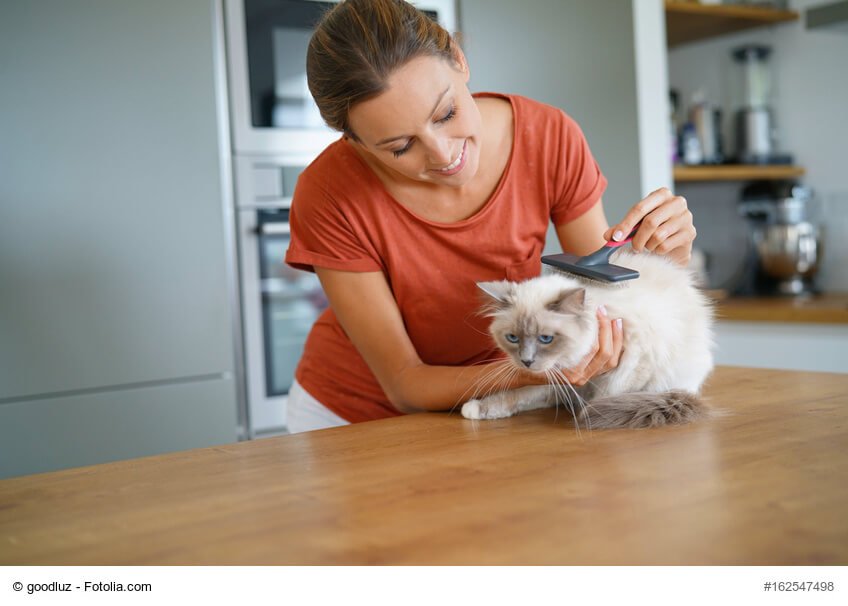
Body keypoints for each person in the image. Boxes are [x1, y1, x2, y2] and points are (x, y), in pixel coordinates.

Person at [284, 0, 696, 433]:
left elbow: (598, 295)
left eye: (446, 113)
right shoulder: (329, 192)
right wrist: (535, 369)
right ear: (354, 140)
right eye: (400, 147)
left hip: (500, 406)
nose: (444, 154)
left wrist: (665, 261)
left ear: (459, 60)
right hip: (351, 419)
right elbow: (405, 384)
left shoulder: (548, 137)